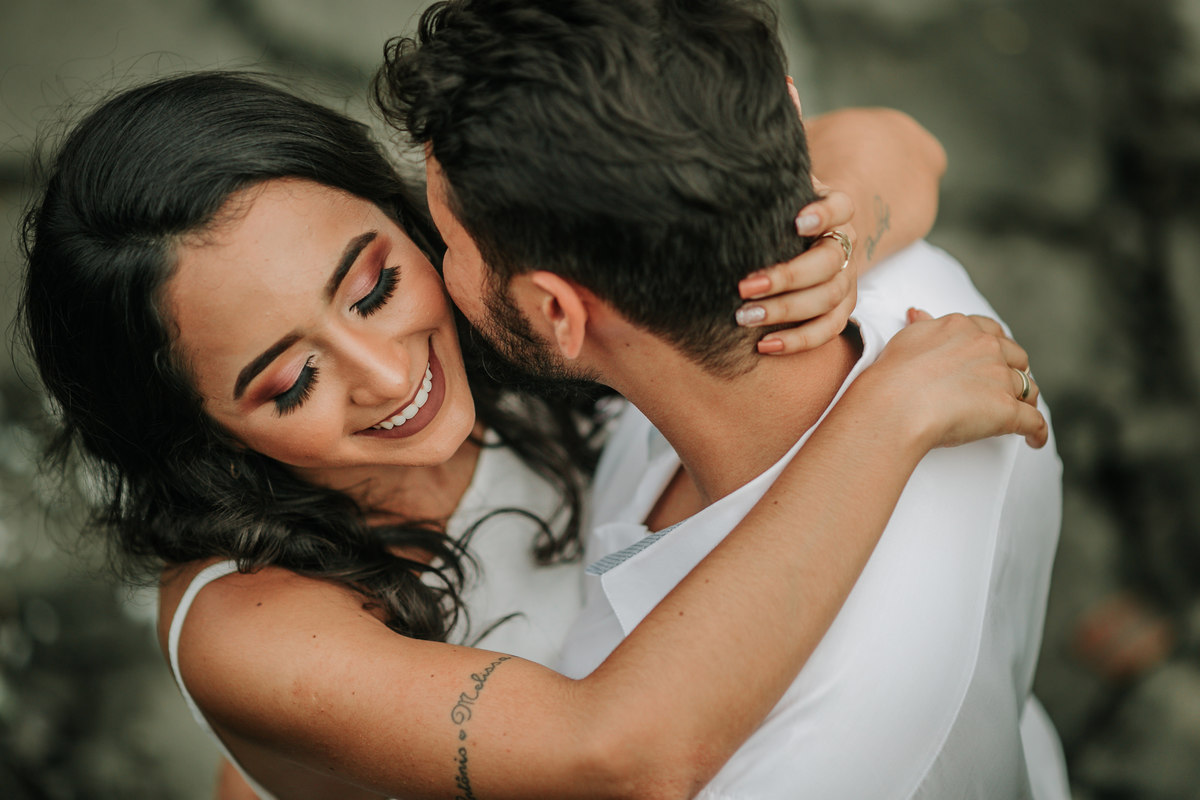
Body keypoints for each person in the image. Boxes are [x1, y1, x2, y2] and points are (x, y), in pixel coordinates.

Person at [17, 71, 1044, 800]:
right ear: (199, 435)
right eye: (291, 380)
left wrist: (832, 235)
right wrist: (886, 413)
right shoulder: (248, 627)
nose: (389, 373)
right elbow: (621, 755)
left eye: (372, 283)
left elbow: (899, 142)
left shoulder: (492, 290)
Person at [377, 0, 1069, 797]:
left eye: (451, 244)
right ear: (789, 109)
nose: (434, 268)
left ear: (558, 312)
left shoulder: (775, 766)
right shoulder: (929, 302)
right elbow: (902, 145)